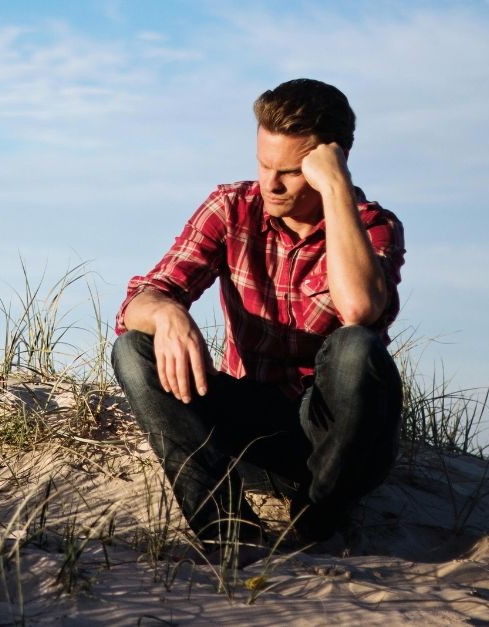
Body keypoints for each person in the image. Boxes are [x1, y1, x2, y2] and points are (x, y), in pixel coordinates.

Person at [111, 78, 405, 545]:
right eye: (263, 164)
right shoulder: (232, 207)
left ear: (332, 163)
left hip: (343, 440)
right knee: (133, 349)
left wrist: (336, 191)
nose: (271, 182)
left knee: (356, 347)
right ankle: (228, 534)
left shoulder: (373, 225)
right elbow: (141, 299)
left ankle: (316, 523)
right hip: (255, 428)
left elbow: (360, 309)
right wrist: (167, 314)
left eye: (290, 171)